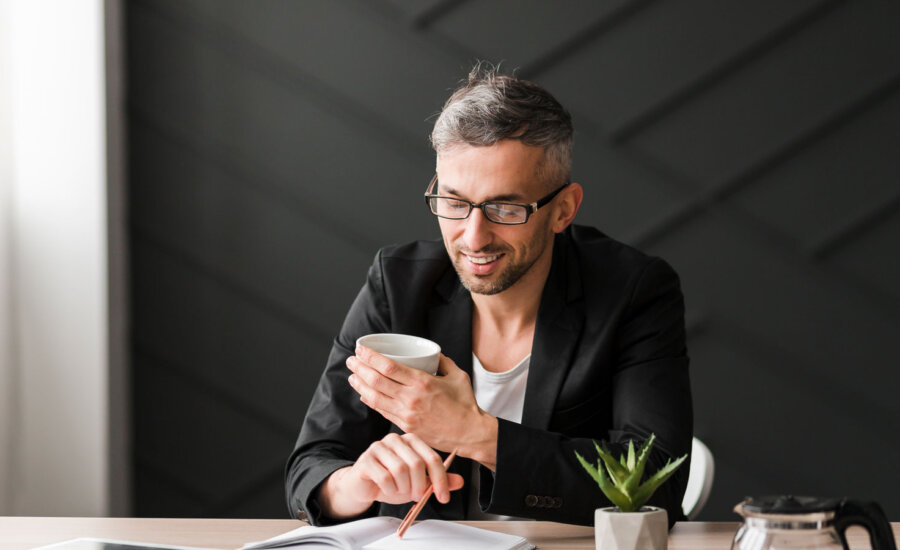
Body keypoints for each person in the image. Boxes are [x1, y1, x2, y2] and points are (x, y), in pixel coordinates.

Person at [285, 65, 692, 528]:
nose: (473, 237)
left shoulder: (633, 289)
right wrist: (356, 483)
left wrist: (477, 435)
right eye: (455, 203)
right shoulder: (397, 284)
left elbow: (660, 483)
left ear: (563, 210)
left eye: (504, 208)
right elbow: (312, 465)